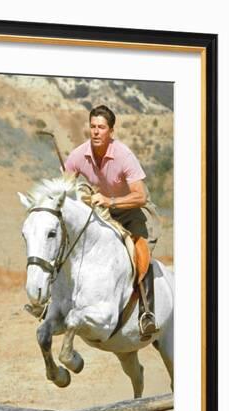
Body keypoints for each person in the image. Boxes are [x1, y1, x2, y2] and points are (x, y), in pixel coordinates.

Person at [64, 104, 161, 339]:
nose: (96, 132)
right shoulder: (78, 155)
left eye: (101, 127)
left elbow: (141, 196)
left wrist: (110, 201)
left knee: (140, 253)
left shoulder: (124, 155)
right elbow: (65, 188)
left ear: (111, 132)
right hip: (100, 211)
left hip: (130, 210)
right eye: (93, 126)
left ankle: (147, 313)